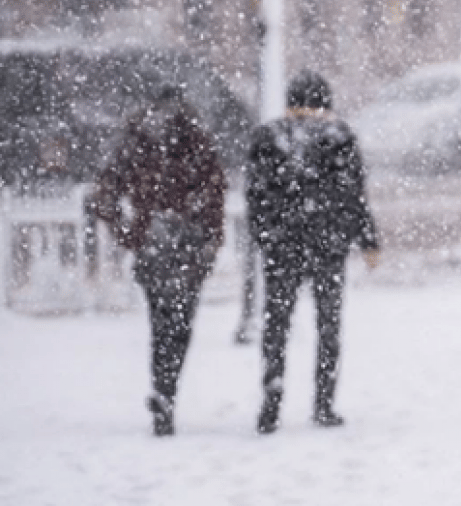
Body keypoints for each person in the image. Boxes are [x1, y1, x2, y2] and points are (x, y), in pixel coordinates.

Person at [245, 70, 379, 434]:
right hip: (328, 246)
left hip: (283, 246)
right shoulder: (339, 137)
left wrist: (266, 237)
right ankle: (323, 402)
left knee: (277, 324)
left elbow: (255, 196)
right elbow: (354, 196)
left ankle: (271, 397)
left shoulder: (267, 137)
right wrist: (367, 239)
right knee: (329, 326)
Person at [94, 84, 227, 436]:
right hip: (189, 243)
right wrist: (212, 238)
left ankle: (162, 389)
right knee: (181, 326)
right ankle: (168, 390)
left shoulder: (136, 141)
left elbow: (104, 196)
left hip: (152, 242)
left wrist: (130, 233)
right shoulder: (196, 140)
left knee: (161, 323)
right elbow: (215, 196)